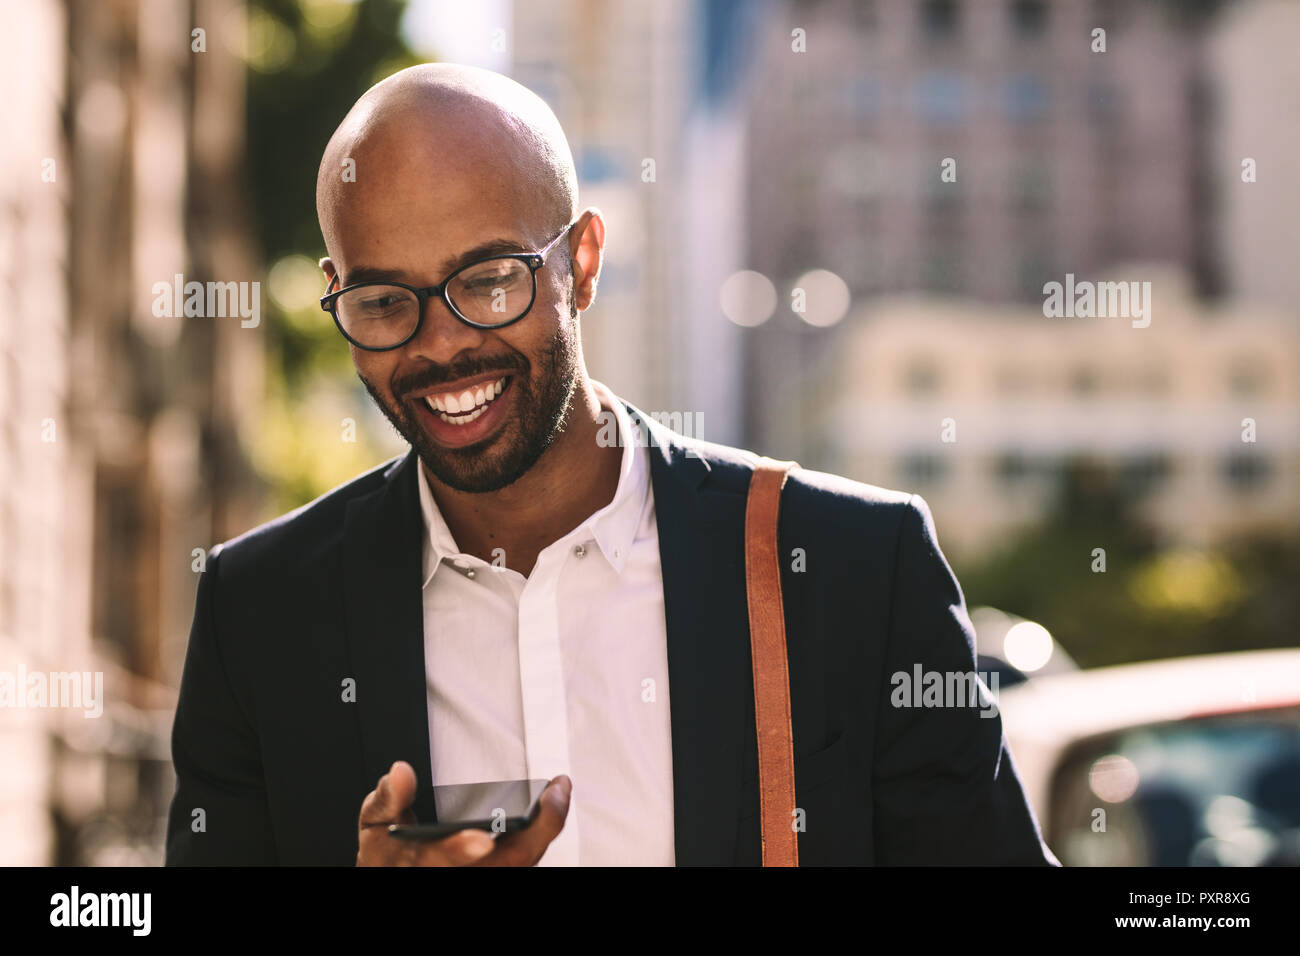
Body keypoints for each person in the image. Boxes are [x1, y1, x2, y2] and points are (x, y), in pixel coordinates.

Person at [165, 63, 1056, 867]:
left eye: (488, 281)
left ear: (582, 263)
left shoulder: (856, 567)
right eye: (385, 300)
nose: (441, 346)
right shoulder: (263, 614)